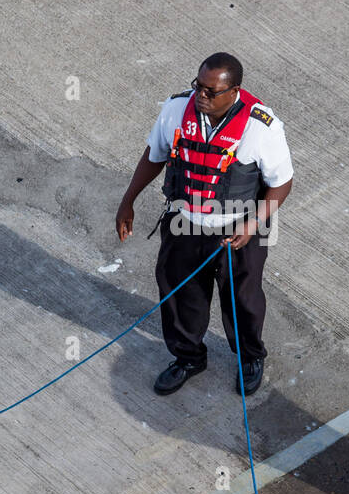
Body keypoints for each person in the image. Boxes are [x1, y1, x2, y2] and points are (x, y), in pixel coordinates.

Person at [116, 53, 293, 395]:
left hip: (239, 229)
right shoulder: (175, 111)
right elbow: (155, 155)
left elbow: (282, 183)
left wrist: (254, 224)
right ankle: (188, 357)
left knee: (242, 297)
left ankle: (249, 358)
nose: (202, 95)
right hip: (185, 223)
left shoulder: (261, 127)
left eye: (212, 91)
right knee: (180, 293)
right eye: (199, 86)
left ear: (234, 91)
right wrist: (128, 200)